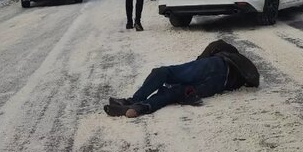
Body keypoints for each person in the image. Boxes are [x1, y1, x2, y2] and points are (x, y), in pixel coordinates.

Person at [104, 39, 260, 118]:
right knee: (176, 91)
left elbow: (211, 49)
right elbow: (254, 81)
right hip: (218, 84)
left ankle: (133, 100)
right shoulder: (246, 71)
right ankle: (140, 107)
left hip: (214, 66)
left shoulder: (224, 52)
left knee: (165, 72)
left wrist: (199, 60)